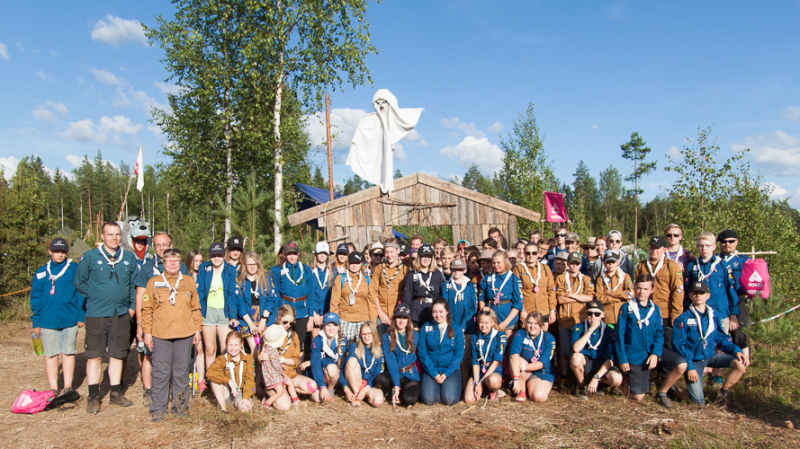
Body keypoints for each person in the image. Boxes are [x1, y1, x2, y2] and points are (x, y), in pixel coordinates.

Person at [73, 221, 138, 413]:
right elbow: (79, 282)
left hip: (121, 313)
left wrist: (132, 308)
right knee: (95, 356)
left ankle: (115, 393)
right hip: (97, 313)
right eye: (110, 234)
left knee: (117, 354)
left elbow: (134, 285)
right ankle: (93, 396)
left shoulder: (129, 258)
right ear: (102, 236)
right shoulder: (90, 257)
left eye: (117, 234)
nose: (114, 238)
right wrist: (95, 295)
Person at [141, 248, 203, 421]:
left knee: (181, 372)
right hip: (161, 334)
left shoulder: (188, 281)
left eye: (176, 261)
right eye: (169, 261)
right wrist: (147, 333)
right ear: (163, 263)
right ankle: (158, 409)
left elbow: (195, 308)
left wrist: (197, 330)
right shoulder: (154, 282)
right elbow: (146, 310)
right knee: (161, 372)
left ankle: (180, 407)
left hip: (185, 333)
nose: (173, 264)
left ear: (180, 262)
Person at [134, 231, 190, 406]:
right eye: (158, 245)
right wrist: (140, 323)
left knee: (174, 360)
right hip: (154, 321)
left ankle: (173, 393)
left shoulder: (180, 266)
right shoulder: (147, 268)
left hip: (176, 321)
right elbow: (140, 296)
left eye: (165, 244)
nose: (161, 248)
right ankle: (148, 390)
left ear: (170, 245)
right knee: (149, 355)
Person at [671, 281, 749, 405]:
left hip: (710, 357)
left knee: (740, 364)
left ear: (708, 296)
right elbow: (679, 345)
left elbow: (722, 339)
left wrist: (736, 351)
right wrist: (690, 367)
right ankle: (674, 392)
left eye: (701, 293)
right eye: (695, 293)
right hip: (693, 361)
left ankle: (722, 394)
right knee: (697, 402)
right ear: (690, 295)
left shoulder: (713, 316)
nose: (698, 296)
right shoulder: (682, 318)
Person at [31, 238, 84, 396]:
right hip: (48, 320)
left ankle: (68, 386)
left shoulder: (74, 269)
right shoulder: (41, 272)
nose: (59, 255)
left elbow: (81, 293)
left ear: (66, 252)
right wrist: (36, 320)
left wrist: (81, 315)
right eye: (56, 252)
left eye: (62, 252)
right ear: (50, 252)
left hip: (70, 319)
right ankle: (53, 387)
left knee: (68, 352)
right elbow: (36, 298)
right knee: (51, 353)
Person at [196, 242, 241, 385]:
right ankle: (212, 381)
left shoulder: (230, 269)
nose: (216, 258)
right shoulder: (204, 268)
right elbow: (200, 291)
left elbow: (232, 295)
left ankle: (226, 380)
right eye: (213, 256)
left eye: (219, 255)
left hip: (224, 312)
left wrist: (233, 316)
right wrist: (198, 311)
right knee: (210, 349)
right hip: (208, 311)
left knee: (225, 349)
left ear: (224, 256)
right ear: (209, 256)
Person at [615, 274, 664, 403]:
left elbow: (659, 334)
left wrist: (655, 354)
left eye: (645, 289)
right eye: (639, 288)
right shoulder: (626, 308)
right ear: (634, 288)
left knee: (678, 363)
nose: (641, 292)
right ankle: (621, 384)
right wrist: (622, 358)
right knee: (638, 397)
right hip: (633, 355)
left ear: (652, 290)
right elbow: (620, 335)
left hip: (648, 354)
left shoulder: (655, 309)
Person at [634, 236, 684, 349]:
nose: (654, 251)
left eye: (657, 248)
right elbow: (636, 288)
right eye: (652, 248)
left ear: (664, 250)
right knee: (647, 343)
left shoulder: (672, 266)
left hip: (665, 313)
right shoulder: (642, 266)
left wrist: (675, 316)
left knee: (667, 346)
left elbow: (677, 292)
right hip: (646, 312)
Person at [268, 305, 319, 409]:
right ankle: (272, 394)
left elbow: (295, 361)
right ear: (278, 318)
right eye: (285, 322)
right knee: (285, 406)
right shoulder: (269, 333)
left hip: (290, 374)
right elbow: (262, 358)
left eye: (291, 323)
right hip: (274, 378)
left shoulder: (294, 336)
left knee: (312, 386)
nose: (288, 325)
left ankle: (288, 391)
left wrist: (282, 359)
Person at [570, 300, 621, 400]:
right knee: (575, 358)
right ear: (586, 314)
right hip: (586, 363)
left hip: (602, 365)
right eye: (589, 313)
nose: (592, 316)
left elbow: (610, 359)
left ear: (603, 315)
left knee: (616, 379)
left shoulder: (609, 330)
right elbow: (576, 348)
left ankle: (599, 384)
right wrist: (590, 330)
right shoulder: (578, 327)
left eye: (596, 314)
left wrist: (596, 377)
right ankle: (582, 386)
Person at [555, 252, 595, 378]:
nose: (574, 266)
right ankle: (565, 376)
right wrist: (580, 298)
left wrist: (570, 295)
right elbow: (560, 299)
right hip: (564, 319)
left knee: (578, 349)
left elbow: (589, 298)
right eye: (572, 263)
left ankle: (577, 376)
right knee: (564, 350)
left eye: (577, 264)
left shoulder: (586, 279)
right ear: (568, 264)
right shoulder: (561, 278)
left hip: (580, 320)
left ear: (580, 265)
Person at [418, 298, 465, 406]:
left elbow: (459, 354)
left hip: (450, 370)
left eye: (441, 311)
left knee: (449, 400)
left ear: (447, 311)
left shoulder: (456, 328)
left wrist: (446, 374)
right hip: (431, 369)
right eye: (434, 312)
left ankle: (446, 387)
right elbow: (422, 352)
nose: (438, 315)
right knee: (429, 400)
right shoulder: (426, 327)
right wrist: (434, 373)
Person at [271, 240, 313, 357]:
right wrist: (277, 314)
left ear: (298, 253)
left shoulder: (306, 270)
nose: (292, 257)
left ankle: (298, 367)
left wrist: (311, 317)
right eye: (289, 254)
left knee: (300, 345)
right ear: (284, 254)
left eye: (294, 253)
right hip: (285, 311)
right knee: (282, 342)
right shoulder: (278, 271)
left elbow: (311, 295)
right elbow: (276, 294)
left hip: (302, 312)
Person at [374, 305, 421, 406]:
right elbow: (391, 362)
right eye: (399, 317)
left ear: (408, 320)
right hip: (395, 372)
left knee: (410, 400)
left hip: (410, 373)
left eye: (404, 318)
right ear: (394, 319)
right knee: (380, 379)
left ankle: (402, 390)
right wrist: (396, 385)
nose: (401, 321)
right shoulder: (387, 337)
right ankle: (394, 389)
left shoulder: (415, 335)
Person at [717, 230, 751, 360]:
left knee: (740, 334)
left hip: (738, 300)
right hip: (720, 301)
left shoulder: (744, 261)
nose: (727, 244)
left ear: (736, 242)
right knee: (719, 335)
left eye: (731, 241)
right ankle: (717, 368)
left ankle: (744, 364)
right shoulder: (715, 260)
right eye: (724, 242)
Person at [236, 251, 277, 355]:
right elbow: (240, 304)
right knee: (255, 350)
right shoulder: (240, 280)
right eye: (249, 264)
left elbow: (271, 299)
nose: (252, 267)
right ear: (245, 265)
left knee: (266, 349)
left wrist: (263, 319)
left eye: (254, 264)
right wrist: (250, 324)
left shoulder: (266, 278)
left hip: (265, 316)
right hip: (247, 318)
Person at [509, 312, 557, 403]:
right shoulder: (520, 334)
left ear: (541, 325)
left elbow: (543, 363)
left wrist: (523, 367)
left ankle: (531, 385)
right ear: (525, 323)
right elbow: (513, 355)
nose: (532, 326)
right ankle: (522, 391)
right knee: (516, 360)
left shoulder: (549, 338)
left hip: (541, 372)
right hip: (523, 372)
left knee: (539, 397)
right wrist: (516, 378)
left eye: (536, 323)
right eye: (530, 323)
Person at [465, 307, 506, 404]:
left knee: (493, 381)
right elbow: (475, 361)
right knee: (469, 400)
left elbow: (496, 362)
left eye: (486, 323)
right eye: (481, 323)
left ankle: (493, 391)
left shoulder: (500, 336)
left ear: (492, 323)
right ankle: (482, 390)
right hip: (479, 371)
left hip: (492, 371)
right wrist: (476, 382)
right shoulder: (475, 337)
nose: (483, 325)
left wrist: (481, 382)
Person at [207, 331, 255, 413]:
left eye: (236, 345)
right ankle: (223, 407)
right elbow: (210, 372)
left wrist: (246, 397)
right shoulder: (222, 359)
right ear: (226, 345)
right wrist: (228, 381)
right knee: (214, 380)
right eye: (230, 345)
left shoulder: (248, 358)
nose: (233, 348)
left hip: (241, 393)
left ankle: (241, 406)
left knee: (244, 408)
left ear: (241, 344)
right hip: (227, 392)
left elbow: (250, 379)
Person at [513, 241, 556, 330]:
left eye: (534, 253)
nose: (531, 255)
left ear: (538, 253)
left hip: (543, 310)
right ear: (524, 253)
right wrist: (522, 310)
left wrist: (552, 310)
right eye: (528, 253)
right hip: (527, 312)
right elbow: (517, 292)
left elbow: (551, 290)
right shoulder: (518, 269)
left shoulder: (545, 268)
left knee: (543, 337)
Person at [341, 321, 385, 407]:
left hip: (369, 385)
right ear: (360, 335)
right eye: (363, 334)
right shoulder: (354, 346)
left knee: (377, 401)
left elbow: (378, 373)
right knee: (352, 361)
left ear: (374, 334)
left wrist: (365, 389)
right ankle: (355, 394)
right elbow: (343, 370)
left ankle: (363, 395)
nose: (366, 337)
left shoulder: (380, 349)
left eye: (369, 334)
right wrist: (345, 388)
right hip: (355, 382)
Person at [369, 240, 407, 337]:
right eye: (386, 252)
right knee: (380, 340)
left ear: (398, 251)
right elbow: (373, 292)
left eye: (391, 252)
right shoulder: (379, 268)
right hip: (381, 314)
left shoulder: (405, 269)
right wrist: (380, 313)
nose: (389, 255)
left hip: (398, 315)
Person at [480, 250, 523, 336]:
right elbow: (481, 298)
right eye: (494, 263)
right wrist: (484, 316)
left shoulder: (513, 279)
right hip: (490, 320)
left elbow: (518, 304)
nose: (496, 265)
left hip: (507, 320)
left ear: (505, 262)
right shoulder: (488, 278)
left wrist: (505, 323)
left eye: (498, 262)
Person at [331, 251, 371, 341]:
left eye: (357, 263)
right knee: (344, 346)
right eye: (352, 263)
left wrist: (372, 321)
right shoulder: (340, 278)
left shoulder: (367, 279)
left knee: (362, 347)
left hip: (363, 320)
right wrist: (335, 322)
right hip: (345, 320)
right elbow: (334, 302)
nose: (354, 265)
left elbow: (371, 302)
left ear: (361, 263)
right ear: (348, 263)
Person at [402, 244, 444, 328]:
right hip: (416, 313)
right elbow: (407, 298)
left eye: (429, 257)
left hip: (433, 312)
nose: (426, 259)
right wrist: (407, 318)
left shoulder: (437, 274)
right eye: (423, 256)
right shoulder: (411, 275)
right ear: (419, 258)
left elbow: (441, 295)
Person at [309, 313, 348, 402]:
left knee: (332, 368)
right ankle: (322, 386)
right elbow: (316, 365)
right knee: (318, 399)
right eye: (328, 325)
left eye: (334, 325)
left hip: (333, 375)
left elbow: (340, 364)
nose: (331, 328)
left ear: (339, 327)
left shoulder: (342, 340)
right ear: (323, 326)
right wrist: (322, 386)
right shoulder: (317, 340)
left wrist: (345, 386)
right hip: (321, 374)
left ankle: (331, 388)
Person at [260, 324, 301, 409]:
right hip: (273, 376)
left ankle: (295, 399)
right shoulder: (272, 351)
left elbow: (274, 362)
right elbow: (275, 364)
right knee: (280, 391)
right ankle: (266, 404)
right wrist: (281, 370)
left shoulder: (268, 348)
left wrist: (281, 365)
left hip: (276, 373)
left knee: (289, 382)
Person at [595, 249, 633, 326]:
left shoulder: (625, 277)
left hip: (623, 314)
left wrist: (611, 293)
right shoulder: (600, 279)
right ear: (604, 263)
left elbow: (630, 294)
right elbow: (599, 298)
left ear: (618, 262)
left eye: (613, 262)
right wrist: (618, 299)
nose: (610, 264)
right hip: (607, 317)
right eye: (608, 262)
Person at [309, 242, 333, 337]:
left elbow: (335, 296)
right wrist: (313, 314)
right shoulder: (309, 272)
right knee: (315, 339)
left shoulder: (333, 273)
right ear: (316, 254)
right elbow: (307, 295)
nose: (322, 255)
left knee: (328, 339)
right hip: (314, 313)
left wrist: (327, 314)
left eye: (325, 253)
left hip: (328, 311)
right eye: (320, 253)